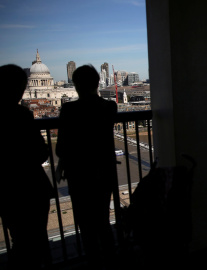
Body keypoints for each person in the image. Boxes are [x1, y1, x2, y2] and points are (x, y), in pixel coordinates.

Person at [56, 65, 118, 269]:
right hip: (103, 171)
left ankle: (94, 262)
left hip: (79, 174)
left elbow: (62, 147)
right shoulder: (110, 107)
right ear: (98, 82)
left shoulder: (68, 110)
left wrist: (62, 165)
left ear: (76, 85)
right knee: (103, 220)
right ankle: (111, 260)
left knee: (86, 224)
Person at [0, 64, 54, 269]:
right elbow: (39, 153)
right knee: (38, 238)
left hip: (7, 192)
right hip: (31, 188)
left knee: (18, 240)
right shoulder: (20, 114)